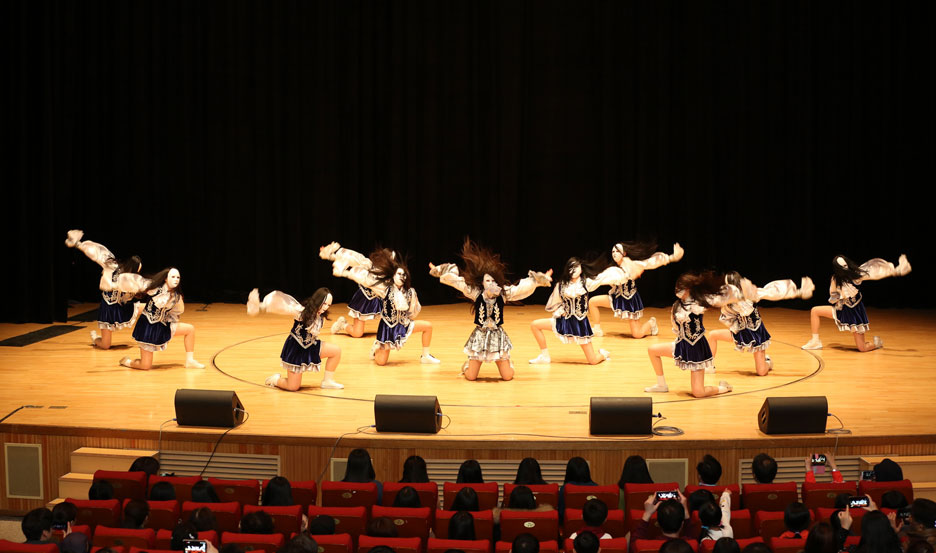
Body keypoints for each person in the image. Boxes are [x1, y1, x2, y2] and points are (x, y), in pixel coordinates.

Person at [429, 239, 552, 380]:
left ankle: (508, 363)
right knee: (471, 377)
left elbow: (520, 289)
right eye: (488, 281)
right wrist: (442, 271)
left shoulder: (503, 293)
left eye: (493, 281)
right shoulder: (475, 293)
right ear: (482, 282)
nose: (491, 283)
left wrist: (538, 280)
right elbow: (458, 282)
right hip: (480, 336)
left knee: (507, 376)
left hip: (497, 337)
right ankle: (467, 365)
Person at [322, 242, 440, 365]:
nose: (401, 276)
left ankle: (425, 355)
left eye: (403, 275)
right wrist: (334, 256)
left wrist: (407, 317)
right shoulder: (376, 277)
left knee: (427, 326)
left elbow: (413, 310)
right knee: (364, 341)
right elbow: (355, 262)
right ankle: (374, 342)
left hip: (399, 320)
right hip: (367, 299)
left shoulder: (406, 289)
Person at [644, 271, 755, 397]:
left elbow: (718, 299)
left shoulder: (698, 303)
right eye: (677, 287)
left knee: (698, 392)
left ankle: (723, 388)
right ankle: (661, 385)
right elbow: (676, 327)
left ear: (689, 289)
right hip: (682, 345)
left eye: (682, 287)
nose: (678, 290)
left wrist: (741, 293)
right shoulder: (676, 305)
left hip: (697, 349)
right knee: (652, 350)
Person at [708, 273, 815, 375]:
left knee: (761, 372)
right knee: (713, 335)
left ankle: (767, 361)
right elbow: (711, 300)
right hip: (739, 331)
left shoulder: (751, 293)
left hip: (756, 334)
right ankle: (709, 367)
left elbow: (774, 292)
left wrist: (798, 292)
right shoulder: (727, 298)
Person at [802, 254, 911, 351]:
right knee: (815, 310)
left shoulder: (856, 275)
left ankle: (877, 343)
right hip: (842, 310)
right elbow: (833, 295)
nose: (845, 268)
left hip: (855, 312)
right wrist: (838, 298)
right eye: (842, 267)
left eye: (846, 265)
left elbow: (874, 273)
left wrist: (896, 271)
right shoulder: (835, 279)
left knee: (862, 348)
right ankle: (815, 341)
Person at [529, 257, 623, 365]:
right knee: (535, 325)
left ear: (581, 269)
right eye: (570, 267)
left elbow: (603, 279)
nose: (573, 270)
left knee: (592, 361)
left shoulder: (586, 283)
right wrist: (561, 310)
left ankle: (603, 354)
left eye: (576, 267)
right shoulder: (561, 284)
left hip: (580, 325)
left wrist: (621, 274)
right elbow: (555, 302)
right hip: (564, 321)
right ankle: (544, 357)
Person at [247, 287, 343, 390]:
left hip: (311, 346)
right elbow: (284, 307)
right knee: (293, 387)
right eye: (324, 304)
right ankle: (275, 380)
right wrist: (260, 306)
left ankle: (327, 381)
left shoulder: (320, 316)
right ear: (318, 300)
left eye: (329, 305)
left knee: (336, 351)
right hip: (296, 349)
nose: (326, 307)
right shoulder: (301, 312)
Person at [65, 229, 144, 350]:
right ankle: (95, 338)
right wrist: (78, 244)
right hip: (108, 309)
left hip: (120, 307)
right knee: (105, 345)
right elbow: (97, 253)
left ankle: (148, 335)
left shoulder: (131, 279)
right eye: (138, 269)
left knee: (149, 307)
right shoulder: (112, 266)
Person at [588, 241, 684, 338]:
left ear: (624, 253)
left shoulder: (632, 265)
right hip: (617, 298)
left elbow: (650, 263)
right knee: (592, 302)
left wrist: (672, 257)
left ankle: (651, 322)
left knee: (637, 335)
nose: (614, 254)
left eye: (617, 251)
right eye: (613, 252)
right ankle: (597, 329)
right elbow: (600, 280)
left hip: (629, 301)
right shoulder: (614, 269)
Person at [120, 267, 206, 370]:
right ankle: (127, 362)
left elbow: (176, 312)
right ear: (166, 278)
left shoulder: (176, 297)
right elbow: (137, 282)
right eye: (173, 277)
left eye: (178, 277)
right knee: (145, 366)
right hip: (147, 328)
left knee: (190, 329)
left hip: (162, 326)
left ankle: (190, 361)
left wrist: (170, 322)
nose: (176, 279)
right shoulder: (155, 289)